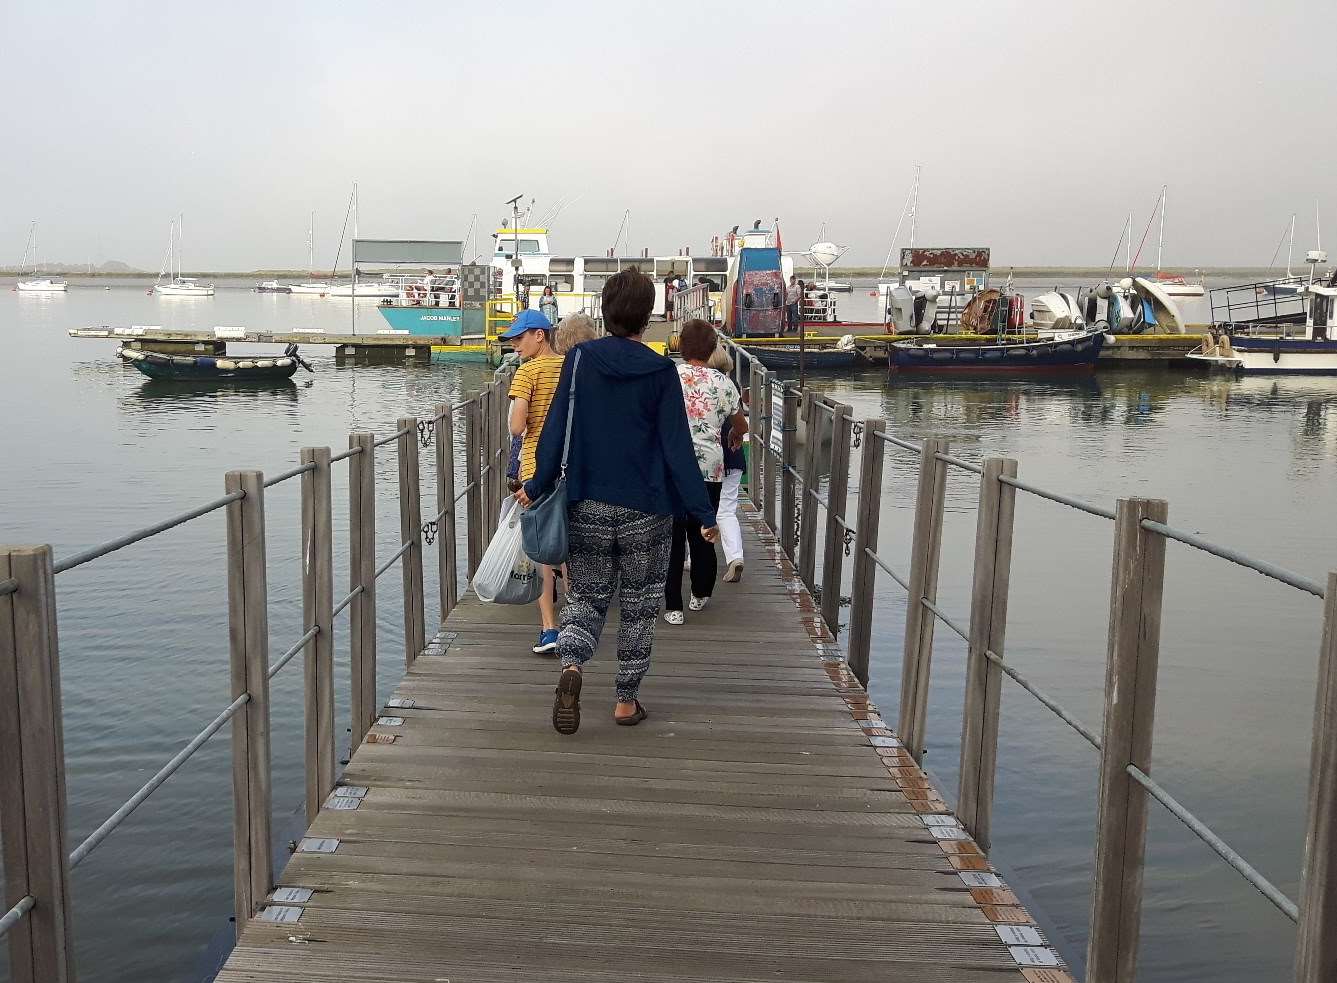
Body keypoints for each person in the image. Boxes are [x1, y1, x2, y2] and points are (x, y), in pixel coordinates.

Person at [517, 267, 717, 734]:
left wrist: (539, 483)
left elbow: (553, 431)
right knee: (641, 603)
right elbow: (676, 447)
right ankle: (626, 701)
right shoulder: (661, 369)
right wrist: (703, 511)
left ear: (604, 312)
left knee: (586, 595)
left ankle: (572, 667)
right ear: (647, 317)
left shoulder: (580, 360)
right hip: (647, 507)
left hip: (587, 500)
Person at [663, 319, 746, 624]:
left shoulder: (668, 375)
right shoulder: (723, 383)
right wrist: (735, 435)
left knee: (671, 539)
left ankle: (673, 606)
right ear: (713, 349)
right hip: (709, 467)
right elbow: (741, 425)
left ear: (680, 347)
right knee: (703, 533)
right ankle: (700, 593)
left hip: (671, 466)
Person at [503, 309, 564, 655]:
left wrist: (518, 409)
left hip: (535, 469)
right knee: (572, 544)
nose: (515, 344)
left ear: (540, 335)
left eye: (520, 337)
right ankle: (576, 622)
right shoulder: (571, 367)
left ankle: (549, 628)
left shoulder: (527, 373)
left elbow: (516, 427)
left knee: (543, 549)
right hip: (570, 467)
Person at [707, 346, 745, 582]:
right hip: (734, 455)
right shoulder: (733, 386)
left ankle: (692, 557)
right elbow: (740, 423)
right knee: (727, 509)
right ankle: (735, 557)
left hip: (708, 456)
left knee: (700, 507)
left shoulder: (701, 384)